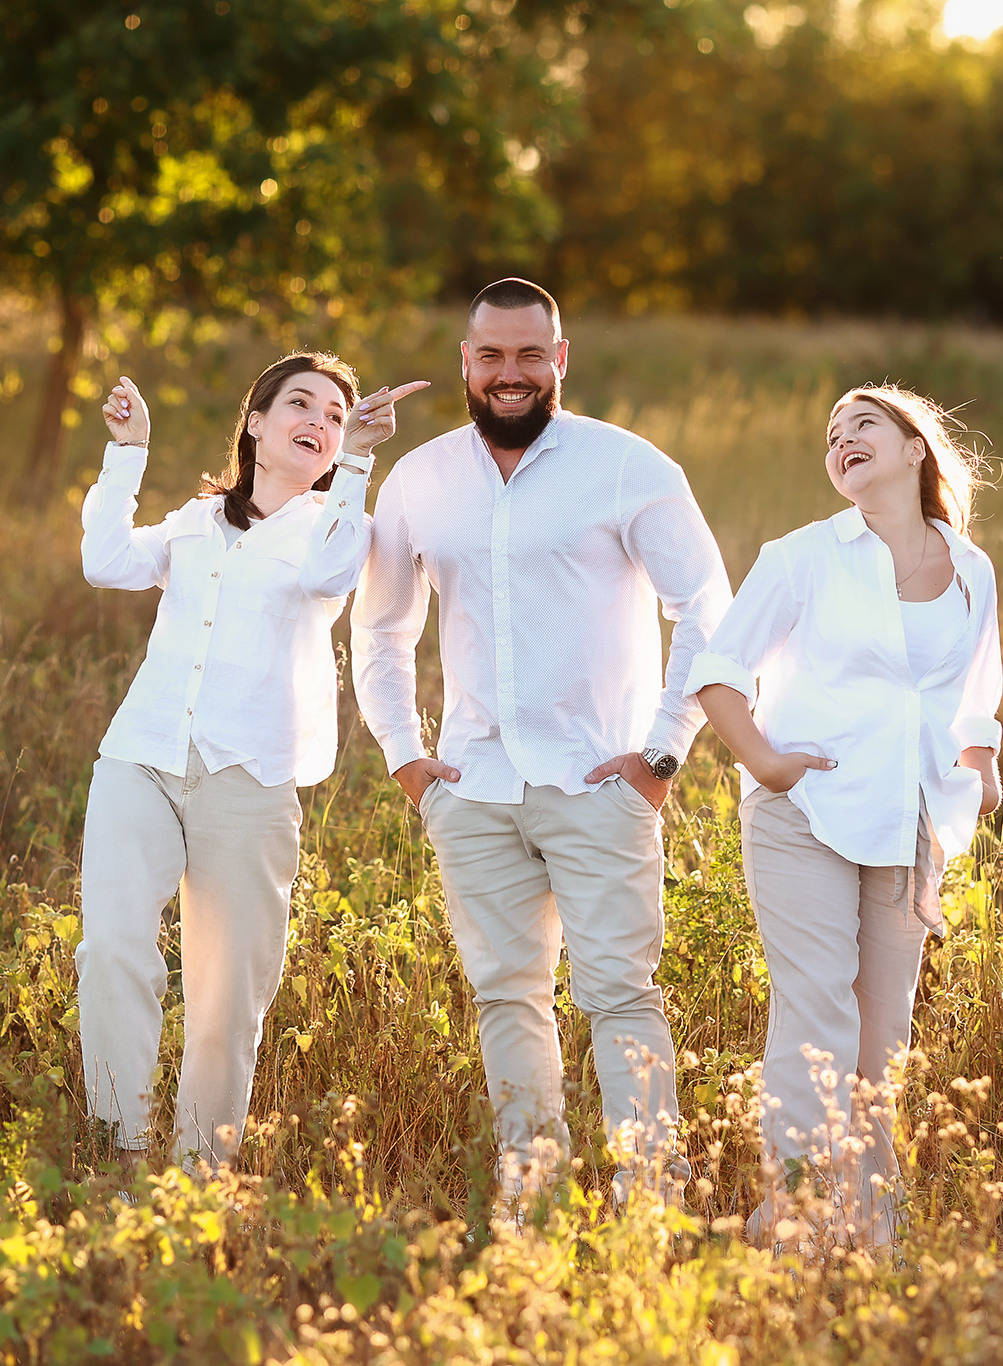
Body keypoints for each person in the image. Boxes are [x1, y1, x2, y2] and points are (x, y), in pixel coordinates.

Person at [353, 279, 732, 1209]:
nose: (510, 373)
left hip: (601, 782)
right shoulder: (420, 480)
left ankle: (652, 1197)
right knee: (505, 997)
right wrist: (406, 756)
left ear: (560, 358)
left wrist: (662, 752)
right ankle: (534, 1196)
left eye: (530, 354)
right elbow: (382, 630)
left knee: (620, 994)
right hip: (472, 786)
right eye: (491, 356)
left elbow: (706, 608)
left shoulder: (627, 466)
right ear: (466, 363)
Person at [76, 352, 426, 1166]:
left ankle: (198, 1174)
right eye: (300, 404)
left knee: (228, 994)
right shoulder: (197, 521)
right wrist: (128, 452)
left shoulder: (338, 526)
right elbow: (106, 562)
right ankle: (120, 1152)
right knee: (112, 950)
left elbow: (331, 577)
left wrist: (359, 462)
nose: (319, 422)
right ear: (256, 423)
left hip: (250, 776)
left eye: (335, 416)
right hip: (142, 756)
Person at [686, 383, 1003, 1249]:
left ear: (914, 449)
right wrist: (765, 762)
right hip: (806, 813)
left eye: (863, 424)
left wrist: (979, 763)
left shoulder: (969, 567)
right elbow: (717, 669)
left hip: (909, 821)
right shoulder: (803, 556)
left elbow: (976, 693)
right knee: (817, 1011)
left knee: (881, 1032)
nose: (842, 440)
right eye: (832, 435)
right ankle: (797, 1221)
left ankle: (870, 1230)